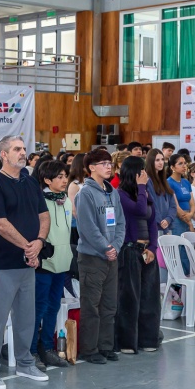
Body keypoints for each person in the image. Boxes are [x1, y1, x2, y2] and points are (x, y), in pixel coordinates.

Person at [0, 135, 49, 389]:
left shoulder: (30, 182)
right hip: (1, 264)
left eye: (23, 149)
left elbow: (44, 215)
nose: (22, 153)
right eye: (17, 149)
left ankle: (24, 362)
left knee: (26, 319)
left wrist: (39, 242)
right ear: (3, 155)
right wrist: (28, 246)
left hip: (27, 263)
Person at [75, 149, 126, 363]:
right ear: (91, 168)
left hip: (110, 256)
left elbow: (121, 223)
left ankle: (105, 345)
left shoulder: (111, 191)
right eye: (103, 163)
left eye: (109, 163)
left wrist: (115, 246)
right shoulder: (85, 193)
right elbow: (87, 227)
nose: (108, 166)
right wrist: (106, 247)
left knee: (109, 305)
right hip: (93, 257)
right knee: (91, 306)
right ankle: (89, 349)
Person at [30, 160, 72, 370]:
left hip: (63, 262)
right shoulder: (40, 201)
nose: (64, 180)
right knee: (38, 308)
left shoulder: (66, 200)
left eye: (66, 176)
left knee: (54, 307)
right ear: (47, 180)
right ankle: (31, 351)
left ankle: (47, 348)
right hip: (45, 262)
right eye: (59, 177)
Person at [116, 156, 159, 353]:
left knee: (149, 297)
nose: (146, 174)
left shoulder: (145, 193)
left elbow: (152, 221)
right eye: (141, 171)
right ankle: (127, 342)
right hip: (130, 250)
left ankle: (148, 339)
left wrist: (153, 248)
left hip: (146, 250)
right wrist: (142, 187)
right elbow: (140, 211)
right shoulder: (121, 195)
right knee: (129, 298)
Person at [145, 149, 177, 236]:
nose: (161, 163)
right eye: (157, 160)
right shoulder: (147, 180)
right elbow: (152, 205)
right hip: (155, 227)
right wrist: (163, 224)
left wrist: (168, 219)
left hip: (167, 225)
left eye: (162, 159)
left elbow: (173, 204)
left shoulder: (163, 180)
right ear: (151, 161)